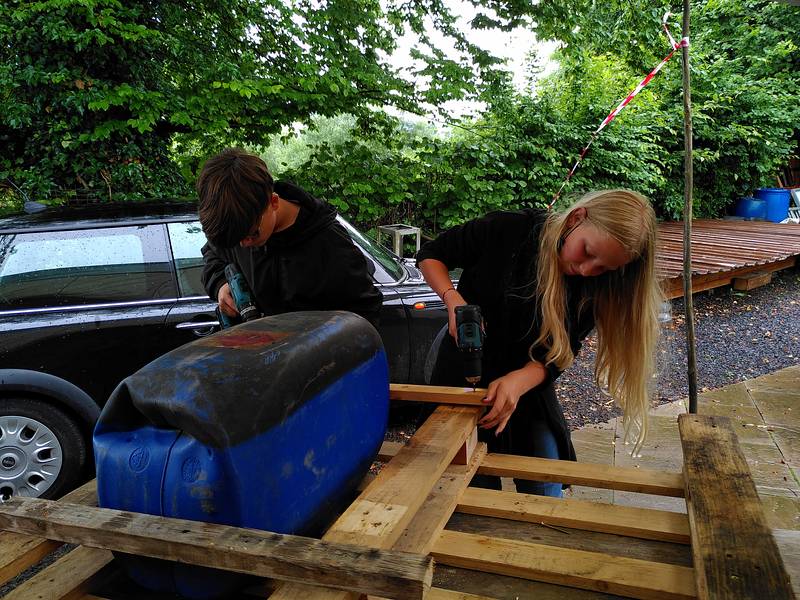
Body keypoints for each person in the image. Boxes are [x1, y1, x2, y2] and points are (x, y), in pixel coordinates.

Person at [416, 189, 662, 497]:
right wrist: (453, 299)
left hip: (529, 395)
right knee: (468, 494)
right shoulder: (508, 230)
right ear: (576, 219)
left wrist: (518, 382)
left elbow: (561, 352)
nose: (587, 270)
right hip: (460, 380)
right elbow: (431, 254)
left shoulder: (598, 285)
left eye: (603, 267)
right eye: (587, 251)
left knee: (546, 493)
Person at [198, 148, 382, 326]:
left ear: (274, 202)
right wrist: (220, 285)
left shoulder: (330, 244)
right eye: (236, 241)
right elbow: (213, 256)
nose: (244, 244)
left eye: (253, 234)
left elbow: (365, 315)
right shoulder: (236, 229)